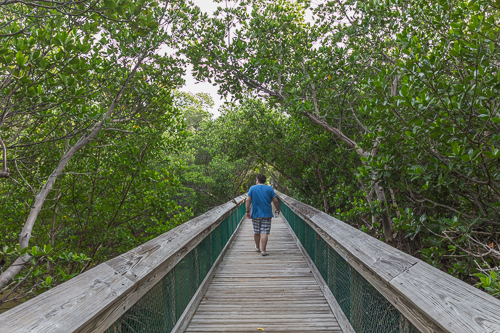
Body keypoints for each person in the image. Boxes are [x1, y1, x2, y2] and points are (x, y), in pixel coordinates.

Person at [245, 174, 280, 256]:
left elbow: (247, 200)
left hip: (255, 213)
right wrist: (277, 209)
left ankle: (257, 247)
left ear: (257, 180)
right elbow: (275, 200)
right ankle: (263, 250)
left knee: (256, 231)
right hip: (267, 213)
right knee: (265, 231)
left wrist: (247, 211)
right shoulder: (269, 188)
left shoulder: (252, 188)